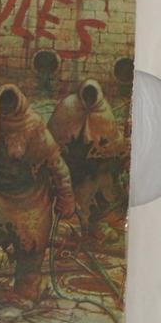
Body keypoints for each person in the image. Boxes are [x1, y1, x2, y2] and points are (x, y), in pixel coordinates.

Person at [0, 84, 75, 302]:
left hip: (30, 197)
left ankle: (28, 279)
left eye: (10, 104)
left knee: (32, 234)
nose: (6, 109)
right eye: (2, 105)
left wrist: (66, 197)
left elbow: (57, 165)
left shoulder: (34, 126)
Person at [47, 78, 129, 228]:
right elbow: (54, 133)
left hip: (91, 163)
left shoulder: (104, 111)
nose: (89, 100)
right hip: (67, 157)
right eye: (86, 96)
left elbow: (111, 142)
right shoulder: (68, 106)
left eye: (92, 96)